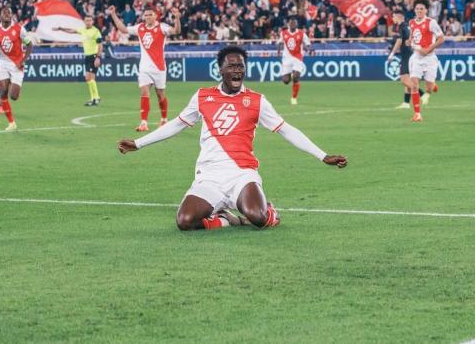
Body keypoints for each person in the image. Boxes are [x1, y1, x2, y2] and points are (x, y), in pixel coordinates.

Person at [118, 46, 348, 231]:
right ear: (220, 70)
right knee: (185, 221)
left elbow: (286, 130)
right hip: (209, 176)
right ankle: (228, 219)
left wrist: (322, 155)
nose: (237, 70)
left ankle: (270, 212)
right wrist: (138, 144)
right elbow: (176, 125)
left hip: (242, 174)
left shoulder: (257, 101)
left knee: (258, 217)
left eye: (241, 66)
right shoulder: (203, 97)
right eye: (232, 66)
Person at [109, 5, 181, 131]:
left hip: (159, 68)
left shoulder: (162, 27)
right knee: (144, 92)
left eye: (150, 14)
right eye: (146, 15)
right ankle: (143, 123)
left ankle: (164, 119)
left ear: (155, 15)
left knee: (160, 94)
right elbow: (124, 29)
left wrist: (177, 18)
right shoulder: (140, 27)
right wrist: (113, 14)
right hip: (144, 68)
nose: (147, 17)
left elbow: (176, 31)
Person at [0, 6, 36, 131]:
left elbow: (30, 45)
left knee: (14, 96)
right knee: (3, 92)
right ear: (1, 16)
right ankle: (11, 123)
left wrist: (23, 61)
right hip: (2, 63)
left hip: (17, 64)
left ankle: (12, 88)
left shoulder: (19, 29)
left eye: (9, 13)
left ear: (12, 15)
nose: (7, 15)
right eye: (4, 13)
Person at [53, 15, 104, 106]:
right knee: (88, 78)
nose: (88, 22)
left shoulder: (96, 31)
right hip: (87, 56)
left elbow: (100, 45)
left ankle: (95, 98)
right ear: (84, 21)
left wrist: (98, 57)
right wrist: (61, 28)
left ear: (92, 21)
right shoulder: (83, 30)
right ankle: (95, 98)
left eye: (89, 20)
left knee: (89, 77)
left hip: (94, 56)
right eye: (86, 20)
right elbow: (71, 31)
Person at [407, 0, 445, 122]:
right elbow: (411, 39)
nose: (419, 11)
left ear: (426, 10)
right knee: (414, 85)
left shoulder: (431, 22)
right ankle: (417, 114)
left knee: (429, 87)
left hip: (430, 58)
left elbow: (441, 39)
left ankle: (432, 87)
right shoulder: (411, 22)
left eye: (421, 9)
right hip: (416, 58)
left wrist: (428, 49)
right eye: (417, 8)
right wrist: (412, 44)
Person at [387, 9, 427, 109]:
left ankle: (422, 94)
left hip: (406, 55)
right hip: (411, 53)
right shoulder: (408, 26)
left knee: (404, 79)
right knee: (408, 79)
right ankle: (406, 103)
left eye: (393, 16)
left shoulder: (401, 26)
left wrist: (392, 54)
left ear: (398, 16)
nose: (392, 18)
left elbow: (399, 41)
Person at [277, 17, 311, 105]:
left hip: (297, 57)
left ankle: (294, 98)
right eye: (291, 23)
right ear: (289, 24)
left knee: (296, 77)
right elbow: (280, 43)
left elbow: (308, 44)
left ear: (296, 24)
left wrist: (309, 49)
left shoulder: (301, 34)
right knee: (285, 81)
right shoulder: (283, 33)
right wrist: (279, 50)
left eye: (294, 23)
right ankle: (290, 76)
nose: (293, 25)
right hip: (286, 58)